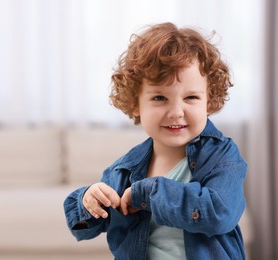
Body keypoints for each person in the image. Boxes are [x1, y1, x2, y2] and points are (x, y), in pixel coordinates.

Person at [63, 22, 247, 260]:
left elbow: (218, 213)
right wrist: (88, 199)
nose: (176, 112)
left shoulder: (222, 156)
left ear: (209, 101)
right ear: (135, 104)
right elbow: (85, 226)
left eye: (191, 97)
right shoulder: (126, 168)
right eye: (160, 97)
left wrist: (147, 193)